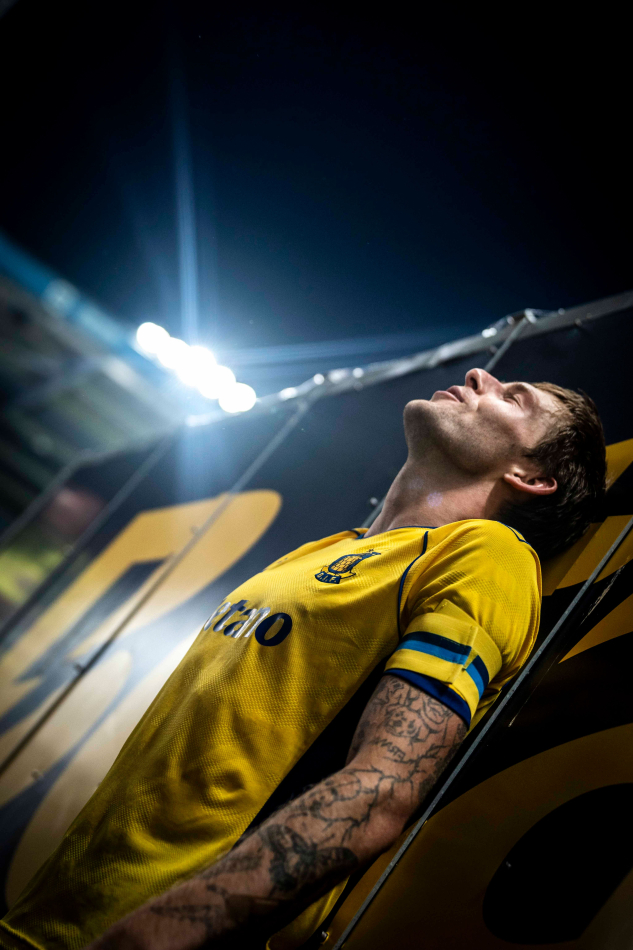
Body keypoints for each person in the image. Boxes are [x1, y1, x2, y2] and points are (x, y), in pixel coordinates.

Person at [0, 368, 606, 950]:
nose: (479, 376)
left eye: (514, 398)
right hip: (47, 917)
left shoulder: (487, 556)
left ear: (530, 475)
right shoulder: (325, 550)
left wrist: (154, 935)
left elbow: (380, 790)